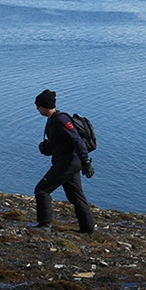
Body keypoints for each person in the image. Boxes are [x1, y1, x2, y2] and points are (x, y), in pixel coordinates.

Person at [32, 89, 95, 233]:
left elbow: (77, 141)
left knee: (42, 190)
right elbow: (62, 143)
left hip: (68, 163)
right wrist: (47, 149)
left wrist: (86, 163)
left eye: (38, 106)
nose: (37, 108)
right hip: (68, 161)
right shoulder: (52, 120)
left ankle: (45, 225)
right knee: (76, 196)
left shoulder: (61, 120)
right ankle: (88, 229)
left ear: (44, 106)